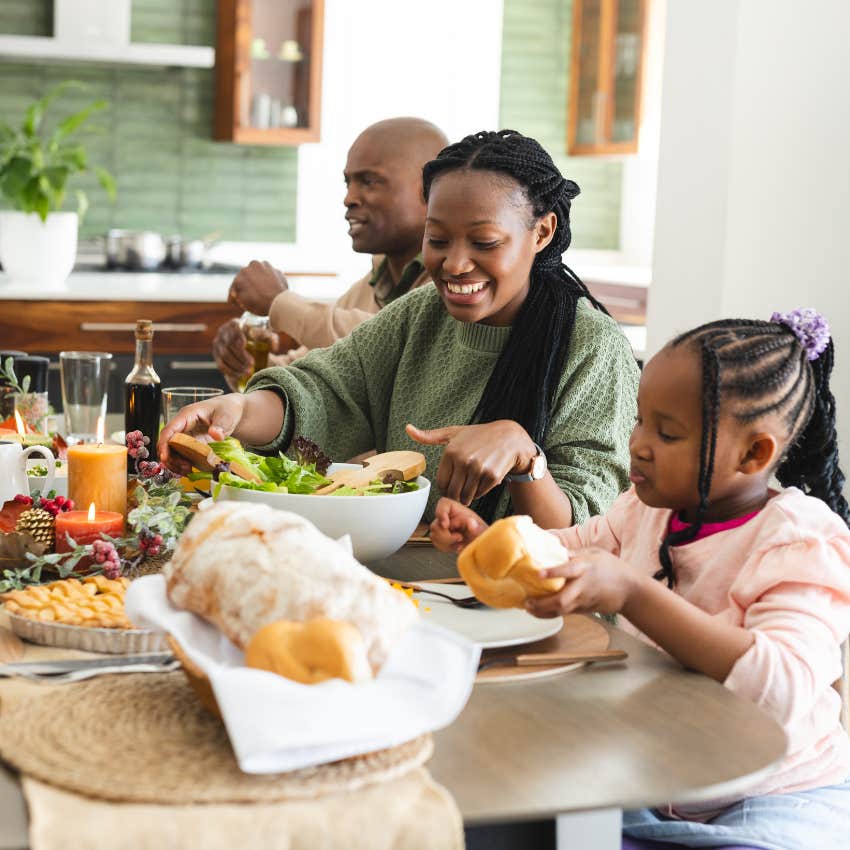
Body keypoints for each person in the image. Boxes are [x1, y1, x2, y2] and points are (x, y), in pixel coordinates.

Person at [432, 308, 850, 849]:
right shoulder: (645, 509)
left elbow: (779, 690)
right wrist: (488, 542)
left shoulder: (800, 541)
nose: (639, 444)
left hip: (776, 793)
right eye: (640, 421)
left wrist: (633, 593)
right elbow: (565, 552)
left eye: (667, 433)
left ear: (754, 453)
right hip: (661, 777)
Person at [160, 130, 639, 528]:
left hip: (527, 601)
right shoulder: (419, 314)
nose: (455, 264)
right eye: (437, 239)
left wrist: (523, 457)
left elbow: (584, 530)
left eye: (484, 241)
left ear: (543, 232)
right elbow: (326, 391)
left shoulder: (592, 348)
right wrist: (239, 410)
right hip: (421, 580)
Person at [214, 117, 448, 387]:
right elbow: (307, 372)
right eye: (348, 183)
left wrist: (279, 301)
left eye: (369, 181)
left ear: (430, 190)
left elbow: (387, 345)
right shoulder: (371, 285)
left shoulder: (452, 283)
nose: (349, 198)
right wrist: (245, 363)